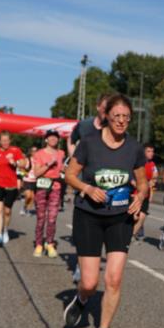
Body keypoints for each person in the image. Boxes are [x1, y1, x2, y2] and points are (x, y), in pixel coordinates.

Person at [63, 94, 147, 328]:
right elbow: (70, 175)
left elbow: (143, 182)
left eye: (126, 117)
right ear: (107, 117)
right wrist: (88, 188)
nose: (121, 121)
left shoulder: (134, 148)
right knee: (90, 282)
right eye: (117, 116)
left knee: (114, 279)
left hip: (119, 218)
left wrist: (140, 196)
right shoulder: (88, 143)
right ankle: (81, 298)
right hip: (88, 215)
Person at [69, 93, 112, 284]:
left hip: (104, 180)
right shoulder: (85, 125)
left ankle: (90, 258)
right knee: (85, 220)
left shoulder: (112, 128)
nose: (107, 110)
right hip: (84, 179)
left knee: (102, 218)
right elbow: (71, 139)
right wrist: (75, 158)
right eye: (104, 107)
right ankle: (81, 263)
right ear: (98, 107)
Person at [0, 131, 28, 247]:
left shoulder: (15, 150)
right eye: (3, 141)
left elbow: (24, 163)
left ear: (10, 141)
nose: (5, 142)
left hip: (11, 184)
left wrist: (14, 162)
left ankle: (5, 230)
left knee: (7, 211)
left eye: (7, 140)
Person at [32, 131, 64, 257]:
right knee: (41, 218)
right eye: (51, 137)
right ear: (46, 140)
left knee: (52, 218)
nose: (53, 139)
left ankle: (50, 243)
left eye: (55, 137)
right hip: (42, 186)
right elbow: (36, 173)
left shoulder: (61, 153)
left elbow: (62, 168)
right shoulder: (39, 154)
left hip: (56, 187)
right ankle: (39, 244)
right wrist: (48, 164)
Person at [133, 144, 158, 241]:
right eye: (149, 151)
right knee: (135, 217)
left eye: (152, 151)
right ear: (143, 152)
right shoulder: (137, 163)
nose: (151, 153)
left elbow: (154, 178)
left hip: (146, 195)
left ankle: (131, 235)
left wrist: (151, 193)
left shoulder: (152, 165)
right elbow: (133, 179)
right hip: (135, 193)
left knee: (142, 216)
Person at [20, 145, 38, 215]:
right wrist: (25, 173)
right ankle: (24, 207)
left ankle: (28, 209)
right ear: (30, 152)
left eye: (36, 151)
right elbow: (21, 168)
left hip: (35, 180)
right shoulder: (27, 160)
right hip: (27, 180)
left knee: (32, 197)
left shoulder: (39, 160)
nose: (35, 152)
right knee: (28, 196)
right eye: (33, 151)